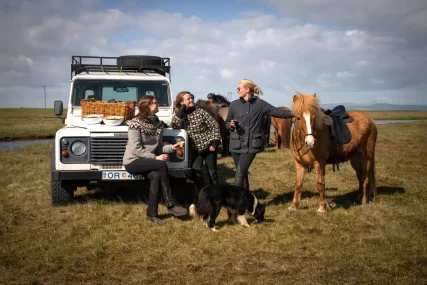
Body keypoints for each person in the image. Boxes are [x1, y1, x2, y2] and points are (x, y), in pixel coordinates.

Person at [123, 95, 188, 226]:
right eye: (155, 102)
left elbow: (158, 146)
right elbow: (135, 148)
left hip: (148, 161)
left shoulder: (157, 123)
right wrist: (155, 158)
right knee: (161, 166)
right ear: (148, 106)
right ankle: (170, 204)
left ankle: (152, 214)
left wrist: (171, 147)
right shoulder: (135, 123)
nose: (158, 104)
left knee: (156, 176)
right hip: (133, 161)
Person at [225, 79, 294, 191]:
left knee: (239, 173)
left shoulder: (260, 104)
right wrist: (230, 124)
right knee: (242, 174)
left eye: (239, 88)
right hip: (235, 144)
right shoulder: (234, 105)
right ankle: (246, 200)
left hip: (251, 145)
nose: (237, 91)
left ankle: (235, 201)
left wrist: (297, 111)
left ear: (247, 90)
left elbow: (278, 112)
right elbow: (227, 122)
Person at [171, 91, 222, 194]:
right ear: (181, 102)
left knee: (212, 173)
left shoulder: (200, 112)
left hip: (208, 145)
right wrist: (180, 114)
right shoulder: (179, 114)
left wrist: (215, 142)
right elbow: (175, 127)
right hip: (194, 148)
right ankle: (203, 193)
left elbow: (214, 126)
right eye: (188, 99)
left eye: (191, 98)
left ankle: (217, 194)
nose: (191, 100)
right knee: (195, 172)